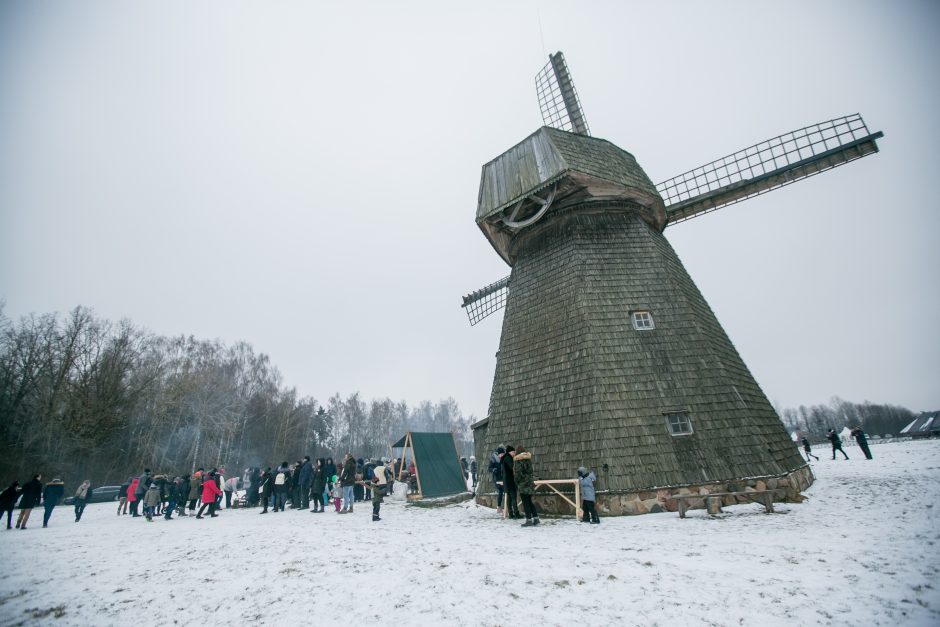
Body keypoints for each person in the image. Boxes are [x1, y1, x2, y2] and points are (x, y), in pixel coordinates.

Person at [513, 447, 539, 527]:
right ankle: (536, 518)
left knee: (525, 503)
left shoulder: (518, 461)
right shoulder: (528, 460)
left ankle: (528, 520)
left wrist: (516, 482)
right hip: (529, 483)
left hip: (523, 485)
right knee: (530, 502)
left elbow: (518, 474)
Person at [500, 445, 520, 519]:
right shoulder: (508, 458)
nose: (514, 453)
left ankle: (511, 514)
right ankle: (516, 513)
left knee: (509, 498)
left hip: (506, 480)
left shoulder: (505, 458)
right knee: (513, 497)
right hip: (510, 480)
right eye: (513, 452)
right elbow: (512, 467)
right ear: (509, 452)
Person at [489, 447, 505, 515]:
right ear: (498, 454)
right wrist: (493, 470)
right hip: (497, 478)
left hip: (504, 478)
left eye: (503, 454)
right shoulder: (494, 459)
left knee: (506, 491)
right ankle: (499, 507)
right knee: (501, 491)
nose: (502, 455)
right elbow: (489, 468)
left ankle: (506, 507)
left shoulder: (504, 459)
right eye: (501, 454)